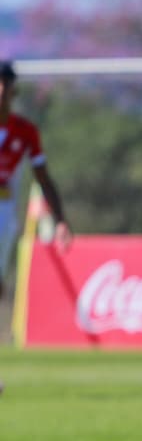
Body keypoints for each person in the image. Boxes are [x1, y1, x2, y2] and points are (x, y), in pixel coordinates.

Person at [0, 60, 73, 300]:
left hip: (4, 213)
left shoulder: (25, 131)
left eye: (5, 84)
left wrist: (60, 220)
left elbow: (43, 178)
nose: (1, 90)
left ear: (13, 91)